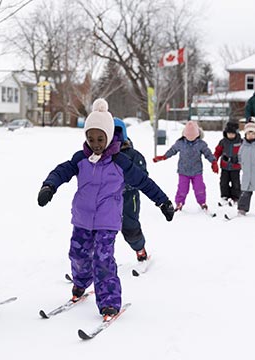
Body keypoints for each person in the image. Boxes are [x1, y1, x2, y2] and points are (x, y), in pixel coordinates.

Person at [37, 99, 174, 320]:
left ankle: (109, 302)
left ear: (110, 136)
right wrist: (49, 185)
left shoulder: (120, 162)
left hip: (107, 221)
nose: (96, 144)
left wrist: (163, 202)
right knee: (78, 255)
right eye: (90, 139)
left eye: (100, 139)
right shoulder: (81, 158)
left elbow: (144, 182)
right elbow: (62, 170)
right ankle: (81, 283)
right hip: (82, 218)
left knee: (103, 260)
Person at [152, 121, 218, 212]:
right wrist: (164, 157)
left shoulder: (201, 144)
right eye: (188, 137)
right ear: (184, 135)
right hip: (183, 171)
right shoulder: (180, 143)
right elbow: (172, 150)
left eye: (193, 137)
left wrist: (213, 161)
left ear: (197, 135)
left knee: (200, 188)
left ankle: (202, 202)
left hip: (197, 171)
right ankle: (179, 203)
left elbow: (208, 153)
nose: (190, 139)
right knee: (182, 189)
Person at [113, 118, 150, 263]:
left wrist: (125, 184)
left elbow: (142, 176)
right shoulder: (102, 154)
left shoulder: (133, 155)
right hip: (107, 199)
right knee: (100, 228)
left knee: (130, 226)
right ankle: (94, 259)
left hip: (129, 198)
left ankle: (140, 250)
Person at [213, 121, 242, 206]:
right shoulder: (223, 142)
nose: (230, 135)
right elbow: (217, 152)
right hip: (224, 166)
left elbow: (245, 153)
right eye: (228, 133)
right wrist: (214, 161)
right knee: (223, 182)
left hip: (236, 167)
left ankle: (235, 197)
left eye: (232, 133)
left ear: (236, 133)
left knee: (235, 183)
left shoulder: (241, 142)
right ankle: (225, 196)